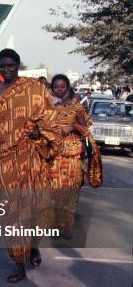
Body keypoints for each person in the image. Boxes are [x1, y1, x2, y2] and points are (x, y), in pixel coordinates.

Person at [0, 48, 62, 283]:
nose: (7, 69)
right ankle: (18, 263)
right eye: (2, 65)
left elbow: (51, 119)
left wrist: (39, 133)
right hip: (7, 159)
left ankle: (33, 246)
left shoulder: (35, 88)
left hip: (34, 155)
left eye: (11, 65)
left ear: (18, 65)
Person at [49, 74, 102, 238]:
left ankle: (66, 227)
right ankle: (55, 226)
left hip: (74, 156)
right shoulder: (46, 107)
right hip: (53, 156)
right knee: (54, 192)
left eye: (62, 86)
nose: (59, 89)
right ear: (52, 88)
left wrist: (73, 125)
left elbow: (86, 127)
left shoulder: (77, 107)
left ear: (67, 87)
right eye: (56, 86)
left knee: (71, 192)